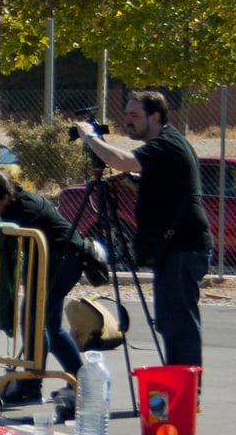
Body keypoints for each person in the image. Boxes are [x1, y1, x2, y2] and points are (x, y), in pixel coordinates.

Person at [76, 90, 212, 368]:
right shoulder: (164, 146)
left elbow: (122, 161)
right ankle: (177, 386)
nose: (128, 121)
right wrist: (141, 184)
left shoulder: (167, 143)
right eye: (126, 115)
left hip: (183, 248)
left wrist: (91, 138)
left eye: (135, 116)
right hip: (172, 248)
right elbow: (169, 182)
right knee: (169, 321)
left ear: (156, 116)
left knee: (178, 323)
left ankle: (184, 390)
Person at [0, 170, 86, 402]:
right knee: (51, 326)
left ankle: (31, 385)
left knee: (32, 319)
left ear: (5, 197)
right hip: (52, 261)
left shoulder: (24, 208)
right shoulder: (10, 204)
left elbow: (2, 233)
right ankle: (82, 381)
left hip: (62, 261)